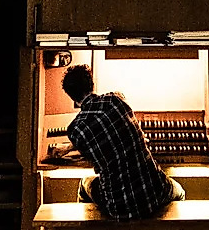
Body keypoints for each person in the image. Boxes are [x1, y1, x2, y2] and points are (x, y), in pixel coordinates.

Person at [47, 64, 185, 220]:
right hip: (155, 191)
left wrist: (67, 148)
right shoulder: (116, 101)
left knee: (85, 183)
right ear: (92, 84)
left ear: (71, 96)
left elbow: (94, 146)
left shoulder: (75, 129)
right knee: (179, 191)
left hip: (119, 206)